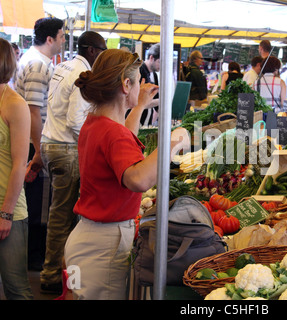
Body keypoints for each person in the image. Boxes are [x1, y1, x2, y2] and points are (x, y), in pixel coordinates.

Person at [64, 49, 190, 300]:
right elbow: (138, 179)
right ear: (125, 85)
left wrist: (140, 103)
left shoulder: (96, 122)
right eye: (137, 80)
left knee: (76, 294)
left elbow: (121, 138)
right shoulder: (112, 132)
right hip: (103, 246)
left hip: (85, 241)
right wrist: (174, 141)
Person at [38, 31, 107, 295]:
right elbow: (75, 119)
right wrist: (94, 146)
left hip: (51, 144)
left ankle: (55, 271)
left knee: (59, 214)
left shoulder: (63, 65)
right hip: (66, 148)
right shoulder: (81, 73)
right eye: (101, 51)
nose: (101, 57)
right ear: (91, 50)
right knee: (62, 216)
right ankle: (52, 274)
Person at [15, 17, 65, 272]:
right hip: (35, 142)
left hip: (35, 142)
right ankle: (32, 258)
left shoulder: (39, 61)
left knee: (36, 203)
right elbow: (34, 111)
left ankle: (32, 255)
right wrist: (38, 150)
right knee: (37, 205)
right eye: (62, 35)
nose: (64, 40)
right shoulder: (36, 64)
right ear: (50, 39)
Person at [0, 38, 33, 300]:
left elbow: (20, 164)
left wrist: (6, 214)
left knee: (16, 288)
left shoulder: (14, 104)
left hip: (8, 208)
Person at [138, 43, 160, 126]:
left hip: (147, 123)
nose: (161, 66)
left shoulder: (154, 75)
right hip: (137, 121)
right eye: (159, 62)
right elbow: (138, 101)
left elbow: (156, 97)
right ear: (151, 58)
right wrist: (161, 101)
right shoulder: (139, 72)